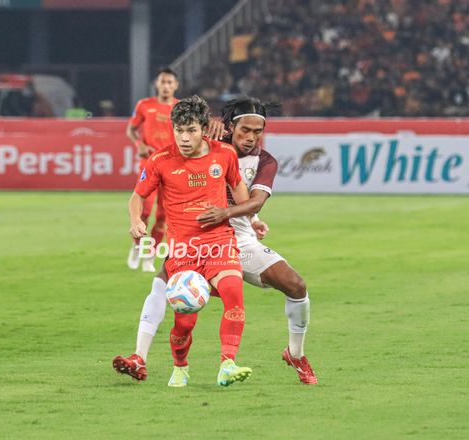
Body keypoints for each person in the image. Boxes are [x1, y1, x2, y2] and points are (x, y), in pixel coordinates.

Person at [113, 96, 318, 385]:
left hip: (238, 240)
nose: (251, 138)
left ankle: (295, 354)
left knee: (296, 285)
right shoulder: (201, 138)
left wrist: (244, 217)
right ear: (230, 125)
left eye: (257, 132)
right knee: (161, 287)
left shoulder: (263, 161)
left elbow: (254, 201)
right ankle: (141, 357)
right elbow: (186, 126)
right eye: (245, 130)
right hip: (194, 238)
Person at [125, 95, 253, 387]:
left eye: (191, 130)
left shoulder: (224, 154)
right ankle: (180, 366)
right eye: (179, 130)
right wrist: (136, 220)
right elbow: (137, 195)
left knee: (234, 294)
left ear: (204, 129)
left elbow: (237, 187)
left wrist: (252, 219)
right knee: (186, 318)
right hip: (183, 249)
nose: (184, 137)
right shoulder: (160, 160)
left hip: (220, 241)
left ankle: (227, 364)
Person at [125, 67, 179, 272]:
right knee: (145, 210)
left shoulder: (180, 108)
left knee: (164, 215)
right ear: (157, 84)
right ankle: (136, 246)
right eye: (162, 82)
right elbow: (130, 129)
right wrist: (138, 143)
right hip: (149, 164)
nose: (165, 86)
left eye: (169, 82)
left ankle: (150, 254)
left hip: (173, 168)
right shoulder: (144, 105)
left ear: (176, 85)